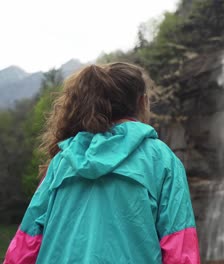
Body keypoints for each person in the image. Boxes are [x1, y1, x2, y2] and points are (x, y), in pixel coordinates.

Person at [3, 63, 200, 264]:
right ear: (143, 102)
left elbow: (23, 248)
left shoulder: (62, 161)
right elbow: (180, 250)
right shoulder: (162, 160)